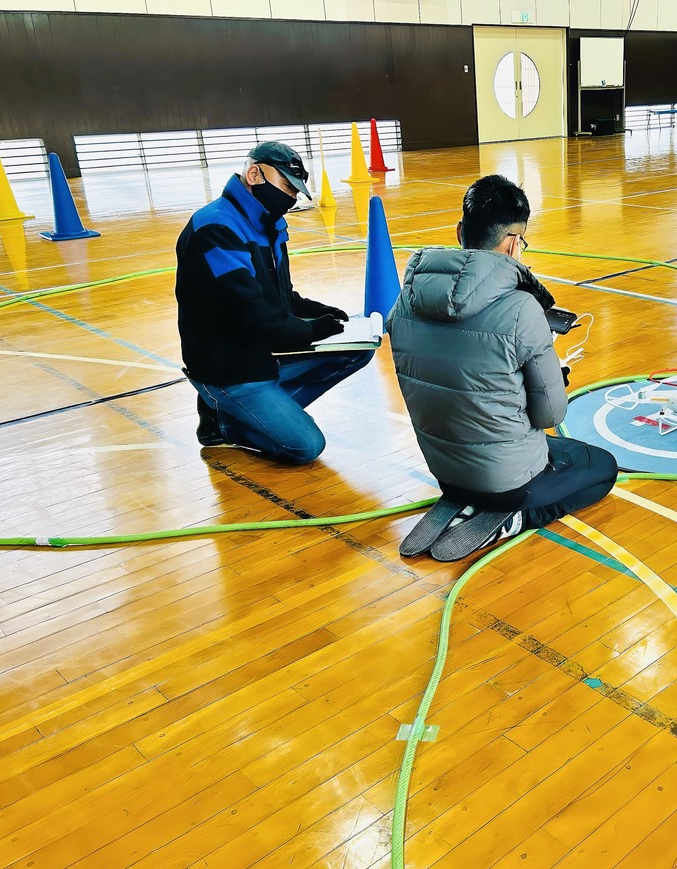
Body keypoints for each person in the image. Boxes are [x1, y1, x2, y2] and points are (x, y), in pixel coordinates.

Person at [388, 174, 618, 561]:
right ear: (513, 242)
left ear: (461, 231)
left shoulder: (406, 300)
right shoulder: (522, 308)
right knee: (599, 466)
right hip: (506, 480)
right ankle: (514, 518)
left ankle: (464, 500)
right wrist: (550, 379)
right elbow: (550, 413)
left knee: (523, 443)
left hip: (444, 468)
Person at [175, 141, 372, 464]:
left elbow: (279, 297)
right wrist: (313, 331)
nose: (291, 198)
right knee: (304, 446)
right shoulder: (215, 229)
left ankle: (259, 412)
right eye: (287, 186)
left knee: (358, 348)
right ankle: (223, 419)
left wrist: (317, 312)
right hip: (230, 368)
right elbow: (257, 316)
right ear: (254, 174)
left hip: (263, 352)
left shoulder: (269, 225)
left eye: (296, 192)